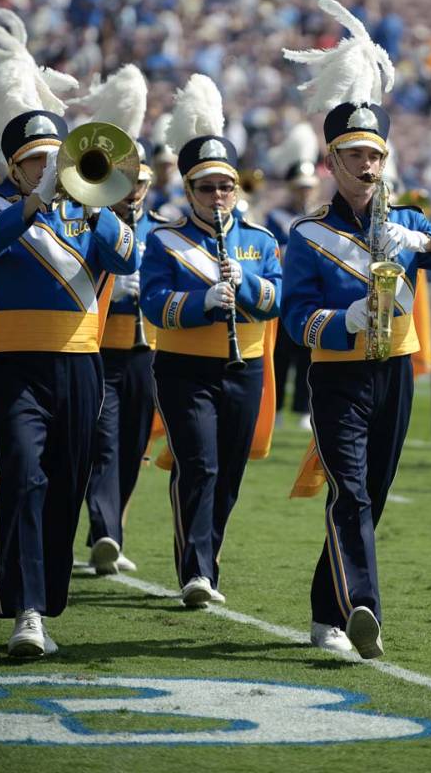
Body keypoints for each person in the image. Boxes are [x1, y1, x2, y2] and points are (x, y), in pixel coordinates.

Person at [281, 0, 431, 659]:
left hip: (396, 368)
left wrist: (424, 246)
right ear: (332, 162)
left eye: (374, 156)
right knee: (352, 492)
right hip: (338, 377)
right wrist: (340, 320)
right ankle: (363, 605)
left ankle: (325, 612)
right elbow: (292, 318)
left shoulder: (409, 219)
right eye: (353, 157)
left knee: (375, 495)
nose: (366, 169)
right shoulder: (308, 233)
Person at [0, 68, 140, 657]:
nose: (52, 167)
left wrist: (108, 205)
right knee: (23, 475)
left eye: (57, 156)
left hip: (81, 362)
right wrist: (34, 200)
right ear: (15, 167)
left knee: (66, 484)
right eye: (38, 160)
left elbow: (126, 262)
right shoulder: (0, 205)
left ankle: (43, 602)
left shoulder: (89, 211)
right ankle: (23, 609)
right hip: (14, 363)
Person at [140, 75, 282, 608]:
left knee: (230, 474)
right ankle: (195, 570)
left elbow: (279, 301)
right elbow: (154, 304)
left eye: (227, 186)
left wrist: (246, 286)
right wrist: (200, 303)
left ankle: (208, 558)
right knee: (199, 464)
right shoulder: (166, 241)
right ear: (189, 191)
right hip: (183, 368)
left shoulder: (261, 241)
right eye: (207, 187)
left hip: (244, 367)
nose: (219, 196)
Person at [72, 66, 165, 575]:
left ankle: (111, 529)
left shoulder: (160, 229)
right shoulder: (96, 222)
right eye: (126, 181)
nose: (134, 190)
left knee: (133, 446)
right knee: (103, 442)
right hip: (101, 346)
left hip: (145, 352)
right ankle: (106, 531)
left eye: (140, 181)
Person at [266, 122, 320, 430]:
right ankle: (275, 408)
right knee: (280, 354)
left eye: (308, 186)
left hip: (310, 293)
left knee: (306, 353)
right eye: (300, 186)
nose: (305, 191)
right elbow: (275, 251)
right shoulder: (277, 217)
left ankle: (303, 408)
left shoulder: (317, 218)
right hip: (284, 292)